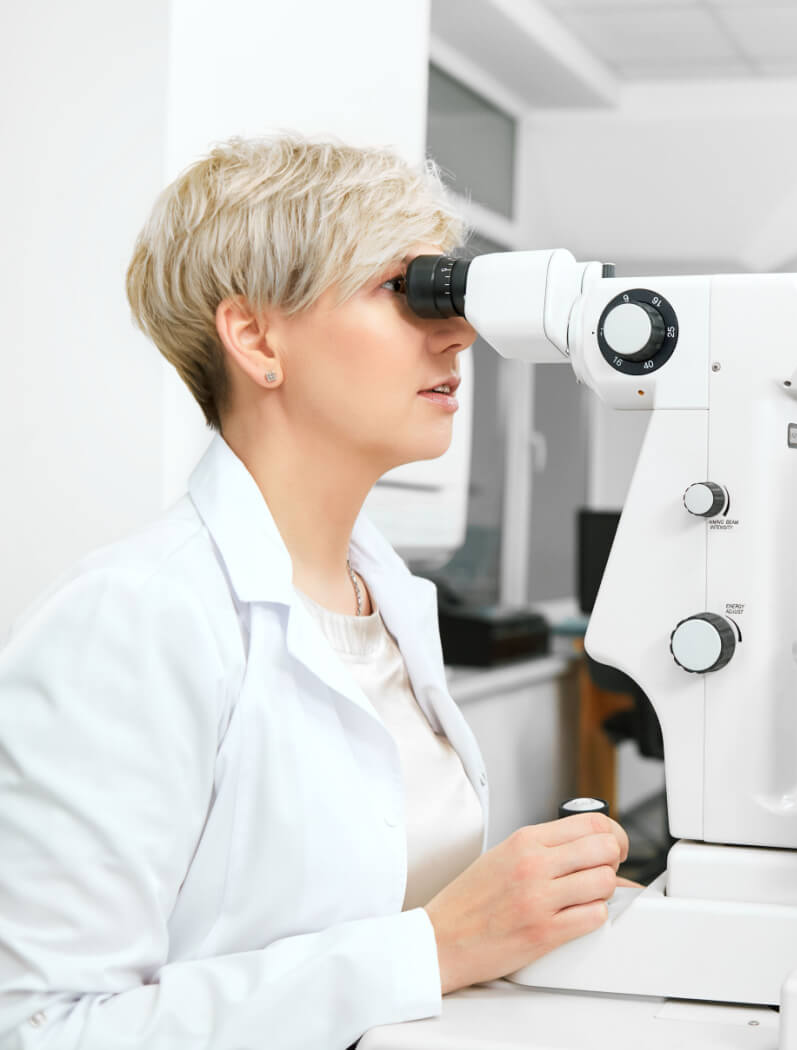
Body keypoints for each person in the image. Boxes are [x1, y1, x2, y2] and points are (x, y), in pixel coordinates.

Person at [0, 135, 629, 1049]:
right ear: (257, 338)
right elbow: (43, 1028)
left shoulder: (391, 599)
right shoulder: (134, 619)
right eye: (403, 291)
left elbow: (368, 903)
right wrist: (438, 946)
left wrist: (538, 911)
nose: (456, 331)